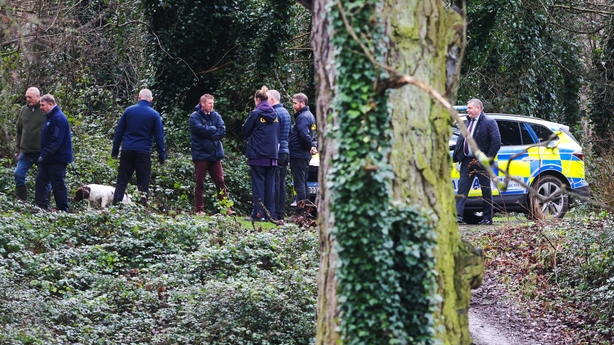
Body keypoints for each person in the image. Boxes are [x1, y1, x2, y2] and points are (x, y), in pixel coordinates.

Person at [111, 89, 166, 206]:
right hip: (144, 152)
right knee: (143, 182)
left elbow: (119, 132)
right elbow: (159, 137)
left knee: (122, 180)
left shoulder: (128, 111)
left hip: (127, 150)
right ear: (151, 99)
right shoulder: (154, 114)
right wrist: (162, 156)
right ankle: (142, 207)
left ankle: (115, 206)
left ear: (139, 97)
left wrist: (115, 150)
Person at [453, 98, 501, 225]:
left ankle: (487, 218)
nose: (467, 110)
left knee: (486, 190)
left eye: (469, 107)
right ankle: (457, 217)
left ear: (478, 109)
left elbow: (496, 142)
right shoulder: (468, 122)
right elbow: (461, 140)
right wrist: (458, 155)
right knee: (462, 190)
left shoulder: (489, 122)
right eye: (467, 108)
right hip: (467, 161)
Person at [189, 93, 234, 215]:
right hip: (201, 155)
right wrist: (212, 130)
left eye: (213, 103)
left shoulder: (216, 116)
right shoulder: (194, 117)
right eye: (210, 103)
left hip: (215, 154)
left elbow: (222, 130)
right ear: (203, 104)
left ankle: (225, 208)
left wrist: (209, 133)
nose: (212, 105)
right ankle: (199, 209)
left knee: (220, 182)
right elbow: (199, 130)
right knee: (200, 183)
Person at [241, 86, 279, 221]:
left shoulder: (256, 113)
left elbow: (245, 131)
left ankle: (259, 213)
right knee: (270, 186)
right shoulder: (275, 114)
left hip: (258, 155)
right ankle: (271, 214)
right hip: (272, 156)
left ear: (257, 100)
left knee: (258, 185)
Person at [35, 94, 73, 212]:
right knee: (41, 181)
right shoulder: (50, 117)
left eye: (42, 105)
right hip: (48, 159)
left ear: (50, 104)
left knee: (58, 184)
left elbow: (56, 141)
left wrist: (44, 155)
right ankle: (42, 207)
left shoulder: (58, 118)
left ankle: (63, 209)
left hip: (57, 159)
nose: (40, 107)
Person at [14, 87, 48, 201]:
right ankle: (22, 200)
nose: (28, 99)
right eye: (26, 97)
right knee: (18, 174)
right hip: (25, 151)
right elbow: (19, 130)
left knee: (45, 178)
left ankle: (45, 203)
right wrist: (17, 148)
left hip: (41, 152)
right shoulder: (24, 110)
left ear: (38, 97)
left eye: (30, 97)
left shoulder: (44, 110)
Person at [288, 93, 317, 218]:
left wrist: (309, 146)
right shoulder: (310, 116)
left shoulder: (303, 117)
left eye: (295, 103)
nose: (293, 106)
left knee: (299, 183)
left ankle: (300, 211)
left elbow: (304, 135)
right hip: (303, 153)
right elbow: (313, 134)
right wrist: (313, 146)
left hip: (299, 153)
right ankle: (306, 210)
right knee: (303, 183)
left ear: (302, 103)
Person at [268, 90, 291, 220]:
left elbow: (274, 134)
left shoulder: (275, 113)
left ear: (272, 100)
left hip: (277, 150)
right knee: (281, 183)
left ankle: (275, 212)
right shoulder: (286, 112)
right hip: (285, 150)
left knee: (275, 182)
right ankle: (281, 212)